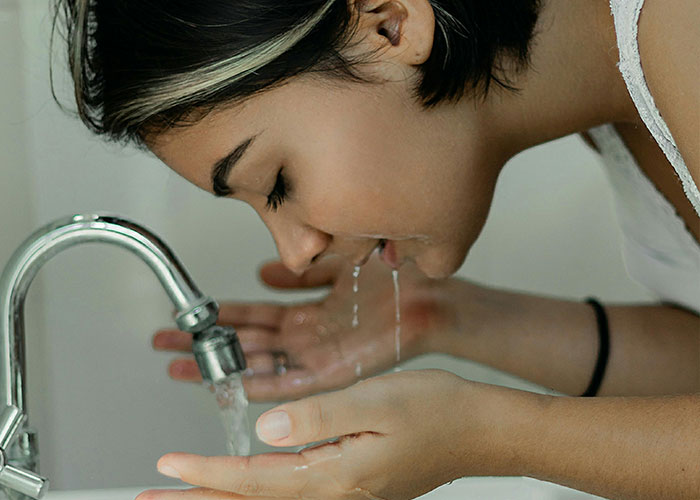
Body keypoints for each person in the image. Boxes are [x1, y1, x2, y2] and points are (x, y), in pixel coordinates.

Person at [53, 0, 699, 498]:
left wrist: (489, 433)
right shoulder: (614, 103)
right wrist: (443, 316)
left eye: (279, 182)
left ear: (390, 23)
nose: (298, 251)